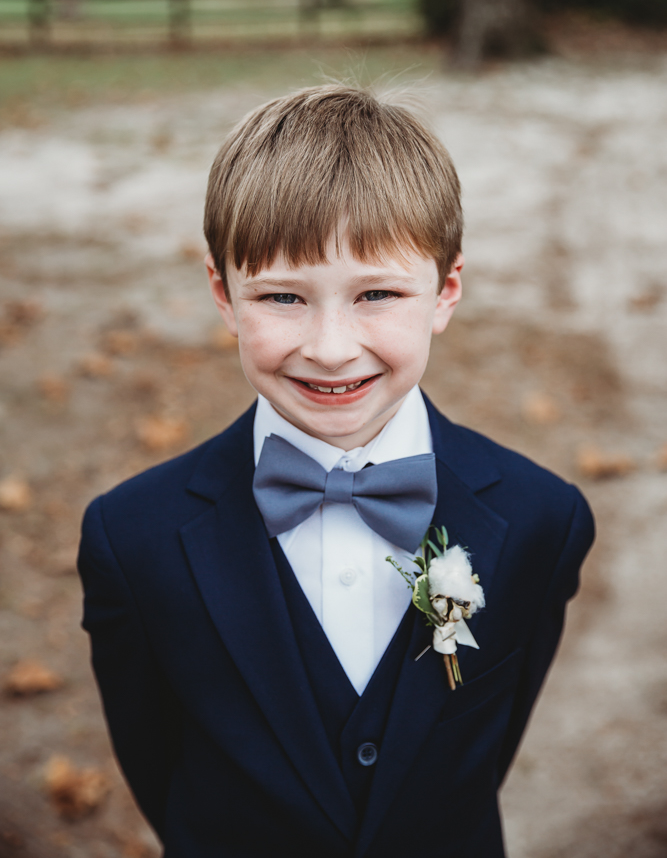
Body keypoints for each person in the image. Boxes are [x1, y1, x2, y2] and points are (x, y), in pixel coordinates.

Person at [78, 85, 594, 857]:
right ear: (223, 295)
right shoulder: (133, 538)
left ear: (444, 293)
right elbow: (156, 763)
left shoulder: (539, 521)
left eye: (376, 294)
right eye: (282, 295)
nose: (328, 346)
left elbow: (488, 746)